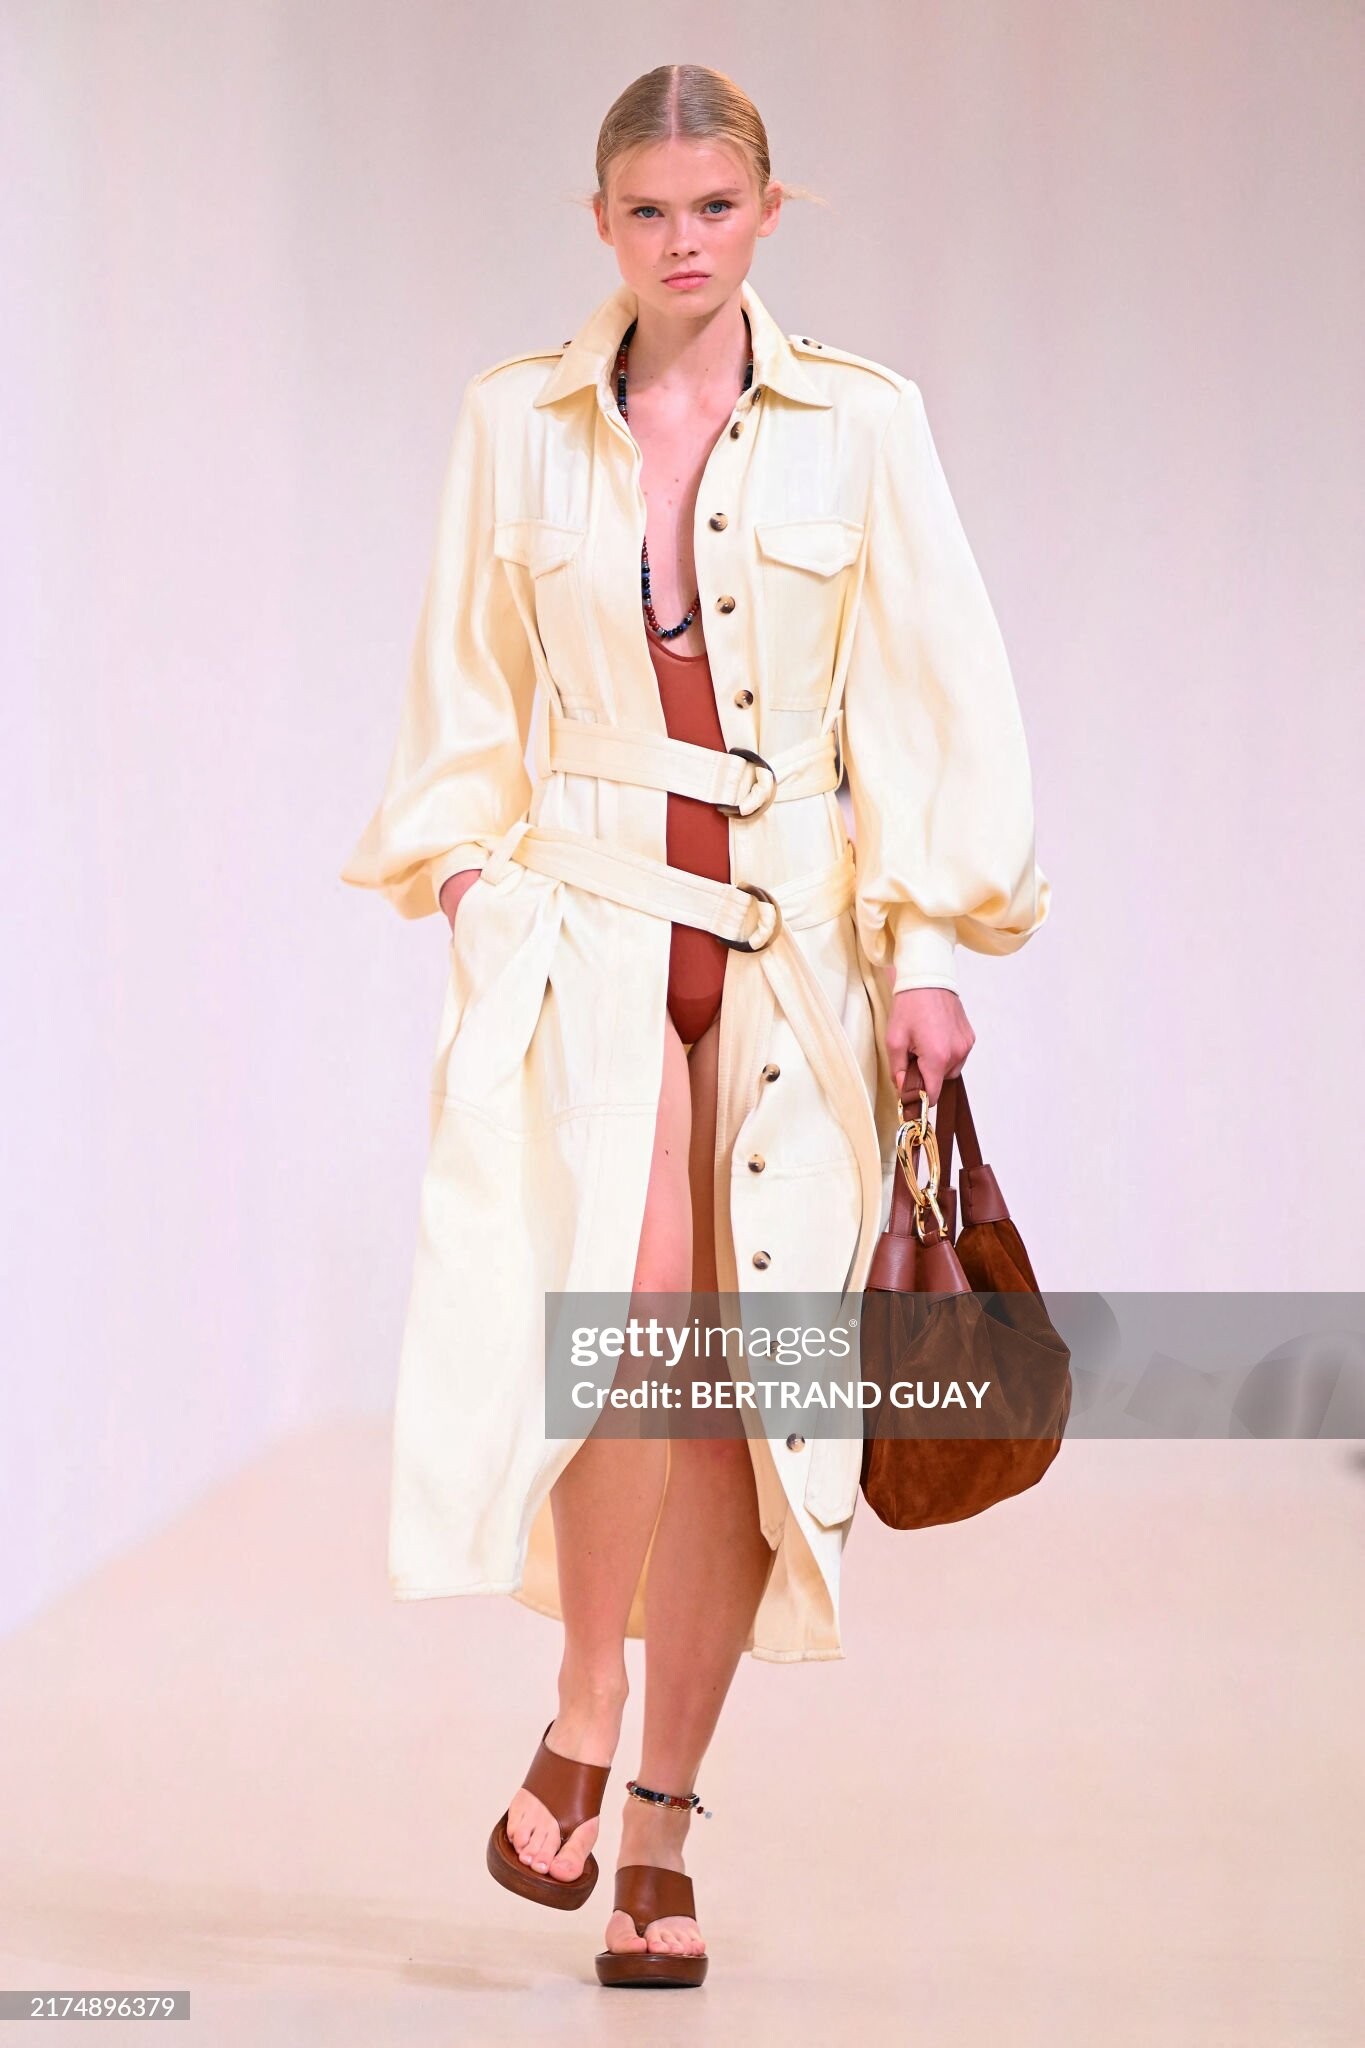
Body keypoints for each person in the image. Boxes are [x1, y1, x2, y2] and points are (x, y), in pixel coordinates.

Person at [339, 63, 1050, 1989]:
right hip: (585, 925)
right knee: (634, 1322)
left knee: (745, 1391)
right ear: (601, 222)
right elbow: (459, 683)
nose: (681, 242)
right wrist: (469, 881)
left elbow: (929, 691)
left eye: (714, 207)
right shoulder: (514, 421)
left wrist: (925, 946)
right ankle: (583, 1709)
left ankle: (655, 1827)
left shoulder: (861, 425)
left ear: (766, 213)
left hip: (798, 939)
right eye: (648, 211)